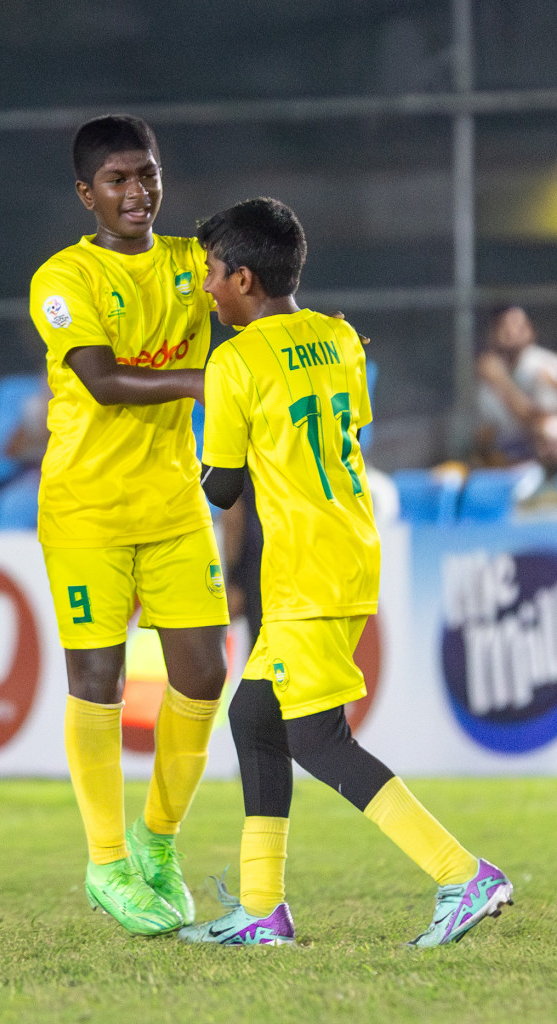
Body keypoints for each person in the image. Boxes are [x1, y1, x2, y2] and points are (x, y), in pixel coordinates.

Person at [187, 197, 511, 946]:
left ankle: (462, 875)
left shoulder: (233, 360)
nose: (205, 288)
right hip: (346, 546)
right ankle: (262, 910)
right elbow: (342, 434)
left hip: (304, 565)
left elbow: (224, 488)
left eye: (211, 274)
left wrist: (183, 470)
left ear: (242, 278)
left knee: (316, 738)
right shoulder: (339, 339)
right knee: (254, 719)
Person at [27, 114, 229, 936]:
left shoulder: (193, 263)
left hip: (174, 505)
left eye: (145, 174)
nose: (135, 191)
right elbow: (103, 381)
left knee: (202, 676)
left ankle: (156, 841)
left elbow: (257, 294)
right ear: (86, 194)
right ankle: (105, 861)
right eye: (116, 179)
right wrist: (204, 380)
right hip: (86, 510)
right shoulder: (61, 279)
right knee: (98, 680)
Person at [475, 305, 557, 465]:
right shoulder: (491, 368)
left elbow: (536, 420)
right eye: (505, 325)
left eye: (519, 326)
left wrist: (500, 382)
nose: (512, 331)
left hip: (542, 448)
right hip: (511, 448)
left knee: (551, 430)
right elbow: (487, 428)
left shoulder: (541, 365)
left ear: (531, 331)